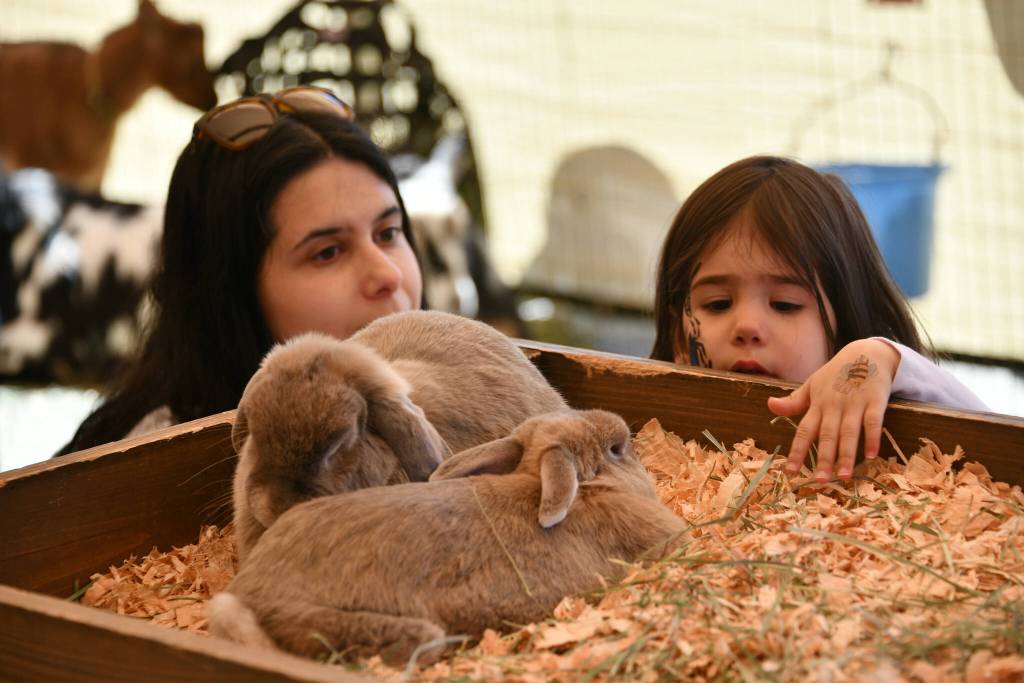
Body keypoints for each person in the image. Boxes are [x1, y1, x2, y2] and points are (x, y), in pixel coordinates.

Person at [58, 86, 424, 455]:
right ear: (231, 295)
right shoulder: (157, 475)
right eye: (327, 252)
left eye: (388, 233)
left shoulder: (461, 404)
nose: (388, 274)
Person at [651, 155, 986, 483]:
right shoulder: (653, 442)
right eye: (718, 304)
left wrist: (878, 359)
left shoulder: (880, 412)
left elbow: (992, 434)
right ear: (680, 339)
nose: (748, 326)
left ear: (845, 326)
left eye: (784, 305)